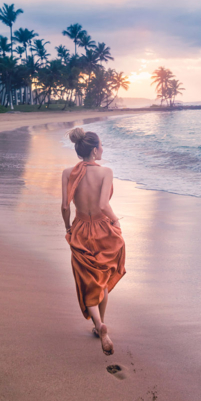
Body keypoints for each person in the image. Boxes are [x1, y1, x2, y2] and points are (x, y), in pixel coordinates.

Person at [61, 127, 126, 355]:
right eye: (101, 145)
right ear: (95, 150)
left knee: (87, 280)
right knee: (102, 277)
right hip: (101, 229)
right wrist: (116, 221)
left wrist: (68, 227)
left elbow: (65, 206)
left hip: (80, 229)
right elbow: (102, 205)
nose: (102, 149)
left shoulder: (68, 172)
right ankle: (101, 325)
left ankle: (99, 325)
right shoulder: (105, 171)